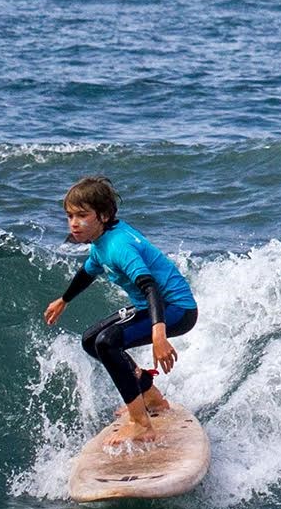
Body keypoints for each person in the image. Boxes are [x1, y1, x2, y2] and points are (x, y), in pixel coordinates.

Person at [44, 177, 198, 446]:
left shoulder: (118, 246)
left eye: (82, 215)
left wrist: (159, 335)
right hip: (151, 306)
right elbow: (89, 270)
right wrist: (64, 300)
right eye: (69, 216)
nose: (73, 223)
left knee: (107, 343)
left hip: (176, 309)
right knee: (92, 340)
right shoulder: (101, 241)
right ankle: (150, 397)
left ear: (103, 215)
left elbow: (150, 287)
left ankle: (141, 424)